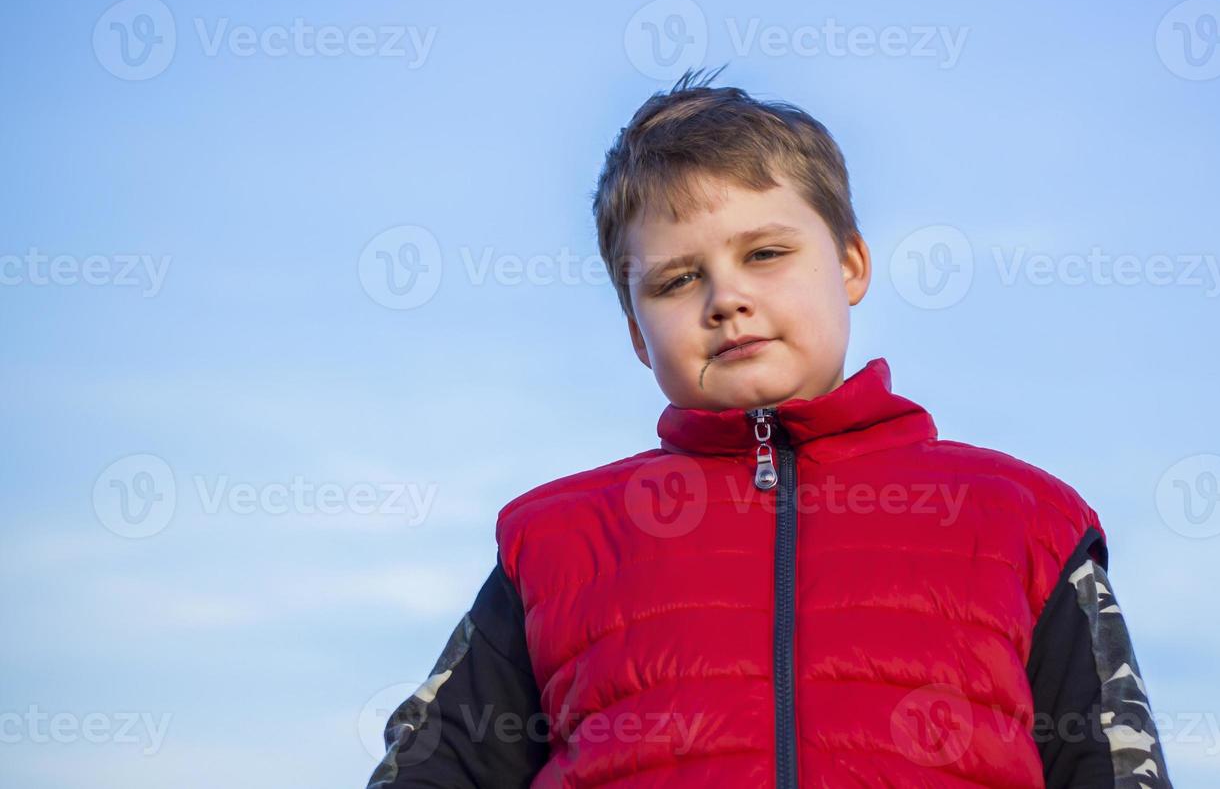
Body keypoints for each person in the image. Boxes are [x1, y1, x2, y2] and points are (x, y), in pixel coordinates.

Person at [366, 68, 1173, 788]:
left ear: (851, 264)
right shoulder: (555, 544)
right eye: (679, 278)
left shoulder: (1023, 519)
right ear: (637, 334)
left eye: (765, 254)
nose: (725, 299)